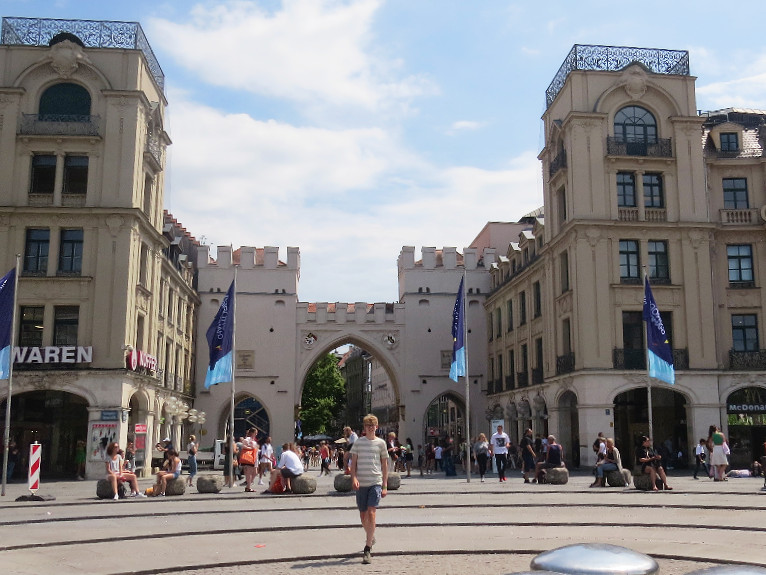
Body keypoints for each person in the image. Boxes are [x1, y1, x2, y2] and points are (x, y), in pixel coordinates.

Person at [349, 414, 388, 565]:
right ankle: (371, 536)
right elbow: (353, 464)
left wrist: (385, 485)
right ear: (365, 428)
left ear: (376, 427)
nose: (371, 428)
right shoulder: (358, 443)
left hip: (375, 482)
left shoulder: (381, 444)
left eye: (373, 425)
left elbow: (384, 465)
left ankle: (367, 547)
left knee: (371, 513)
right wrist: (353, 478)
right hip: (361, 483)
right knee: (363, 516)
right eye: (368, 426)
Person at [239, 428, 258, 492]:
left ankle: (248, 483)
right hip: (249, 457)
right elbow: (243, 446)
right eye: (255, 433)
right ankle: (248, 487)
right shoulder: (247, 439)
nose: (256, 434)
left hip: (254, 457)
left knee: (255, 472)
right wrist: (250, 448)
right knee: (249, 472)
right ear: (252, 433)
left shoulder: (253, 440)